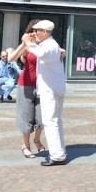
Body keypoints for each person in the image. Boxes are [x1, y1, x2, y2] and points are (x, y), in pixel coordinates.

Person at [24, 20, 67, 166]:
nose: (34, 33)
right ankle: (59, 152)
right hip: (54, 88)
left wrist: (27, 42)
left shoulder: (48, 45)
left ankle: (57, 155)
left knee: (50, 122)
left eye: (37, 31)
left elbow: (40, 53)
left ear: (44, 32)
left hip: (50, 90)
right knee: (55, 122)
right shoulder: (51, 45)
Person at [8, 19, 45, 159]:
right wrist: (23, 44)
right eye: (36, 30)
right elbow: (11, 58)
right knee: (26, 115)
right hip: (26, 84)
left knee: (42, 116)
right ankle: (26, 145)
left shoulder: (44, 45)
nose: (38, 33)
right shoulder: (28, 46)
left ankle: (37, 140)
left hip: (42, 85)